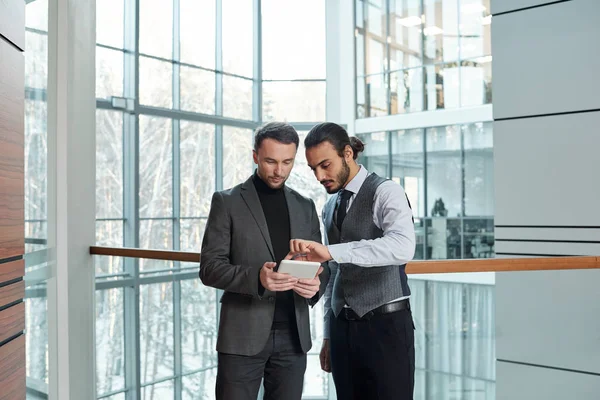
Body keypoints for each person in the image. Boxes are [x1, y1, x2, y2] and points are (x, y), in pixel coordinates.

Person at [200, 122, 330, 400]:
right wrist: (256, 279)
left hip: (293, 339)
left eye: (287, 162)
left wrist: (316, 286)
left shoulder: (304, 206)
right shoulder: (227, 202)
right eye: (271, 161)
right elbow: (210, 268)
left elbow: (323, 266)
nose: (279, 170)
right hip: (242, 336)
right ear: (255, 156)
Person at [286, 122, 416, 399]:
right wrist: (328, 336)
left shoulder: (386, 191)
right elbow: (334, 275)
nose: (320, 176)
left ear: (347, 153)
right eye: (313, 169)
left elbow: (403, 246)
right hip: (342, 329)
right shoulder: (330, 206)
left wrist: (333, 251)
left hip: (386, 327)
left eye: (325, 165)